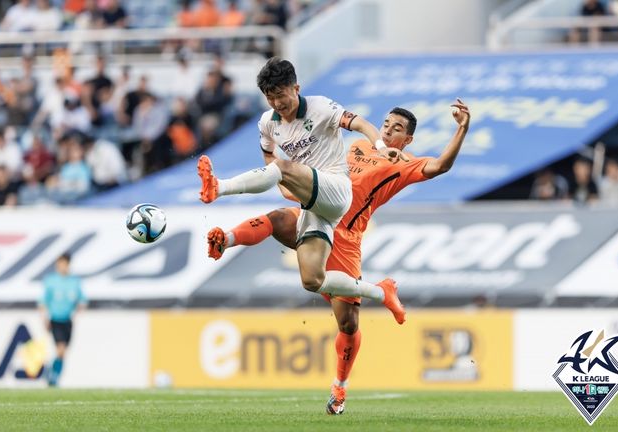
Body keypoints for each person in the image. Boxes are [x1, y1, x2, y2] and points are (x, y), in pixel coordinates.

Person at [206, 102, 470, 414]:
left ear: (407, 140)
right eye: (386, 122)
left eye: (396, 128)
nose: (386, 129)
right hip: (317, 214)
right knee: (278, 218)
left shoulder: (403, 163)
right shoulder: (358, 144)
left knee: (347, 324)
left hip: (346, 238)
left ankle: (340, 388)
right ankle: (227, 238)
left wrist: (462, 128)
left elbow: (440, 166)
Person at [198, 57, 407, 326]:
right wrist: (285, 183)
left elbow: (361, 125)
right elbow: (269, 156)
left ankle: (219, 187)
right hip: (314, 205)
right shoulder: (267, 123)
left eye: (281, 95)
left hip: (336, 190)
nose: (277, 104)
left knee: (284, 168)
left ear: (295, 88)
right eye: (270, 97)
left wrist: (379, 147)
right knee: (312, 280)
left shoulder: (321, 107)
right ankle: (382, 292)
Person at [37, 253, 87, 386]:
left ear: (68, 264)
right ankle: (54, 379)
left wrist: (79, 309)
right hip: (55, 320)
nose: (62, 266)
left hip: (67, 321)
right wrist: (44, 319)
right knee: (61, 349)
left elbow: (82, 300)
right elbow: (43, 302)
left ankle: (52, 373)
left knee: (63, 353)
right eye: (60, 263)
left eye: (64, 263)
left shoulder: (74, 281)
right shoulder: (51, 281)